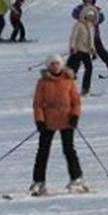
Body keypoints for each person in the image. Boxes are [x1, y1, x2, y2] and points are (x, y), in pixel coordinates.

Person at [30, 54, 86, 196]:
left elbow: (76, 102)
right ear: (48, 66)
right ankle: (39, 181)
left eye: (57, 64)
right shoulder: (43, 82)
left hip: (66, 120)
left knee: (69, 150)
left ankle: (76, 179)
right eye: (52, 64)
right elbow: (37, 104)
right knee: (43, 151)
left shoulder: (68, 80)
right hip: (48, 120)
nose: (55, 66)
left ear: (61, 65)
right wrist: (39, 120)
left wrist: (75, 116)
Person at [71, 0, 108, 76]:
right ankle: (73, 72)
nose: (88, 1)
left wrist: (95, 18)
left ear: (93, 0)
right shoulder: (79, 8)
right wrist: (82, 14)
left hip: (94, 35)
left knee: (101, 51)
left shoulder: (96, 9)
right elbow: (74, 14)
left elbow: (102, 18)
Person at [67, 6, 98, 96]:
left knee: (89, 68)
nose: (90, 18)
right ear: (84, 15)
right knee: (72, 71)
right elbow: (73, 36)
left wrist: (93, 49)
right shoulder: (79, 24)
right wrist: (72, 47)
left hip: (86, 51)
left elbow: (91, 40)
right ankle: (66, 89)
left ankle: (85, 89)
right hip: (77, 50)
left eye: (92, 17)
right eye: (88, 16)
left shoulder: (92, 27)